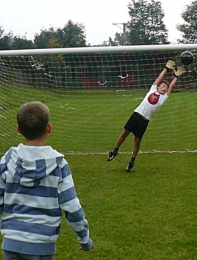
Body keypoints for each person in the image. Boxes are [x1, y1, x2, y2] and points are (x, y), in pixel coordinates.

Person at [0, 101, 93, 260]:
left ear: (19, 129)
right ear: (48, 128)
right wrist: (84, 238)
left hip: (11, 243)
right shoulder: (59, 164)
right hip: (42, 246)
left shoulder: (7, 161)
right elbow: (71, 207)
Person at [107, 60, 185, 172]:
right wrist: (166, 69)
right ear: (158, 87)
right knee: (124, 133)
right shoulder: (153, 89)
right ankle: (114, 151)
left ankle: (132, 161)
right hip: (136, 115)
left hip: (144, 120)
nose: (164, 88)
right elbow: (159, 78)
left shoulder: (163, 97)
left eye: (166, 88)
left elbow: (172, 85)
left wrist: (176, 76)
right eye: (163, 86)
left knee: (137, 141)